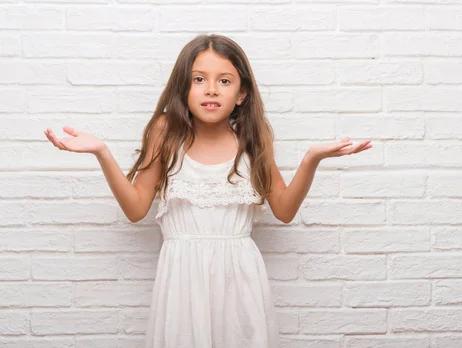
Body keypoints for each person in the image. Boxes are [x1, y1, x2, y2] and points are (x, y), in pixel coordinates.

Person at [43, 34, 372, 348]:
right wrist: (102, 152)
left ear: (241, 93)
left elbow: (284, 211)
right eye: (199, 79)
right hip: (182, 278)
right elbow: (135, 208)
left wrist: (312, 158)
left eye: (224, 81)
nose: (211, 89)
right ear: (183, 87)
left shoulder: (253, 137)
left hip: (241, 279)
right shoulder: (165, 131)